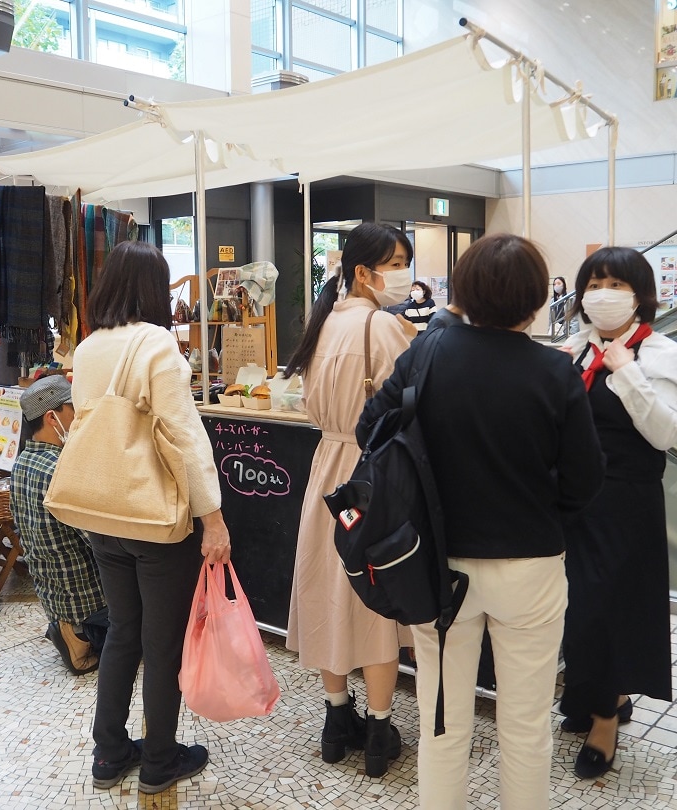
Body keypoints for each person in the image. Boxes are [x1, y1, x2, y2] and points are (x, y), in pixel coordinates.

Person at [359, 233, 605, 809]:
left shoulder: (428, 351)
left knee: (443, 728)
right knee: (525, 729)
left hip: (438, 568)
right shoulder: (555, 371)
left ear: (462, 292)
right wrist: (543, 511)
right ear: (537, 299)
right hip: (532, 566)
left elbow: (371, 429)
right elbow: (586, 481)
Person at [70, 241, 231, 795]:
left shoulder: (88, 347)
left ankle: (109, 753)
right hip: (155, 520)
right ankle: (161, 759)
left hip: (103, 510)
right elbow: (183, 436)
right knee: (162, 644)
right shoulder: (158, 343)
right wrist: (213, 517)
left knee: (122, 632)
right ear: (152, 288)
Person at [282, 222, 414, 779]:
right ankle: (381, 732)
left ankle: (337, 721)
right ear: (364, 271)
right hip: (373, 474)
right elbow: (413, 407)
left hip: (326, 474)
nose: (405, 273)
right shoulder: (384, 328)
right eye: (398, 262)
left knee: (325, 592)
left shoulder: (323, 325)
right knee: (376, 597)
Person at [559, 246, 677, 780]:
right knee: (576, 606)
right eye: (594, 283)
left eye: (615, 284)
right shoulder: (574, 348)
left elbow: (665, 433)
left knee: (610, 609)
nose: (602, 294)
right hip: (573, 499)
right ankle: (593, 694)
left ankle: (607, 718)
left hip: (625, 501)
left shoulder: (660, 352)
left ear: (640, 295)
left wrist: (628, 373)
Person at [10, 375, 108, 676]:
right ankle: (79, 637)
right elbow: (98, 540)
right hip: (88, 598)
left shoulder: (22, 463)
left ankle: (67, 626)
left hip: (53, 594)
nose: (79, 417)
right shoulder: (61, 469)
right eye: (73, 410)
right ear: (53, 417)